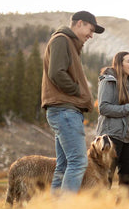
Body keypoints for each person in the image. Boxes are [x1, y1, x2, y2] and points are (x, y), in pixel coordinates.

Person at [41, 11, 105, 194]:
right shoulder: (62, 40)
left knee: (64, 165)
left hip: (64, 111)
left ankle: (54, 208)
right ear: (80, 23)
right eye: (90, 30)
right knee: (78, 161)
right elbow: (56, 73)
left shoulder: (69, 43)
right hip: (65, 110)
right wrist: (78, 91)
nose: (91, 35)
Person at [96, 51, 129, 200]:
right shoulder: (108, 81)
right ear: (119, 64)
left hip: (128, 139)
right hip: (110, 139)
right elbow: (103, 108)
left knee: (127, 183)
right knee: (105, 181)